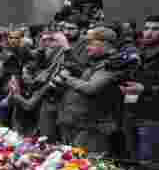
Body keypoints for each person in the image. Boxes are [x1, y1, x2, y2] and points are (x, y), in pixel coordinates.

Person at [54, 26, 126, 154]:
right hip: (82, 125)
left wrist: (67, 78)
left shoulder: (113, 64)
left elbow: (91, 88)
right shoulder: (97, 62)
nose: (87, 48)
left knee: (90, 168)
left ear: (106, 44)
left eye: (92, 44)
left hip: (97, 129)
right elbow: (83, 74)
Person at [121, 16, 159, 170]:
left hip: (156, 118)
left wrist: (145, 90)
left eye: (155, 28)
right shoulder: (138, 54)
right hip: (131, 114)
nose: (149, 32)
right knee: (137, 165)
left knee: (152, 168)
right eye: (147, 28)